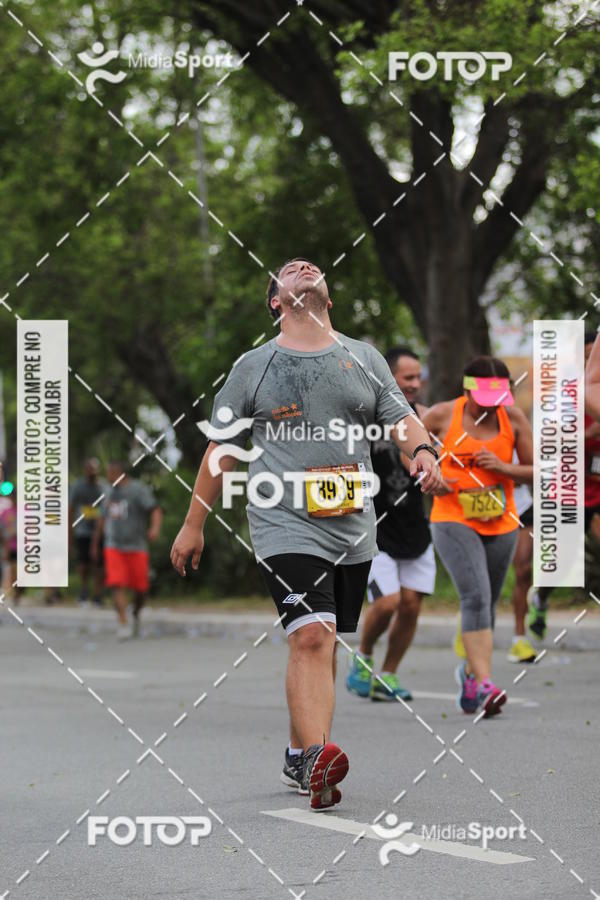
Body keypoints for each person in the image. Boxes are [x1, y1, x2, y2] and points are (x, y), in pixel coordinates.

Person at [170, 257, 444, 811]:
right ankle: (320, 760)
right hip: (282, 521)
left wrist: (422, 450)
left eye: (310, 268)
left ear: (328, 297)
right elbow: (221, 449)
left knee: (326, 639)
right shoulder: (255, 365)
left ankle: (300, 754)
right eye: (288, 272)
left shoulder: (363, 358)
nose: (301, 268)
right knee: (312, 635)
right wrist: (193, 522)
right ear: (276, 300)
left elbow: (401, 415)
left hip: (352, 525)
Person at [423, 357, 533, 717]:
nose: (491, 406)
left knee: (487, 603)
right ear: (468, 388)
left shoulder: (512, 418)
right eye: (485, 398)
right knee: (476, 596)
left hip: (501, 522)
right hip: (453, 518)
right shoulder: (441, 415)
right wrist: (432, 473)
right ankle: (487, 685)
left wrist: (505, 468)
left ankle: (470, 675)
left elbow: (536, 471)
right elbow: (408, 447)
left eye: (499, 398)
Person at [346, 345, 435, 702]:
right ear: (388, 377)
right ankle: (363, 658)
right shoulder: (364, 417)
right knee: (388, 602)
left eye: (418, 377)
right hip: (373, 527)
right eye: (407, 377)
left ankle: (389, 675)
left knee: (411, 604)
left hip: (413, 525)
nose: (414, 384)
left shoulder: (423, 418)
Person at [528, 330, 600, 635]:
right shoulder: (565, 393)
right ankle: (541, 599)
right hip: (571, 487)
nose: (590, 362)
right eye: (587, 357)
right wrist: (587, 434)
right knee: (560, 562)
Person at [92, 461, 162, 640]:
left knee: (141, 589)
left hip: (136, 545)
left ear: (118, 472)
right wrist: (96, 542)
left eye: (109, 473)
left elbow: (154, 509)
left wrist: (154, 528)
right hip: (113, 545)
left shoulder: (137, 490)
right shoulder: (107, 492)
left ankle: (136, 613)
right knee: (116, 583)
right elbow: (102, 518)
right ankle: (123, 622)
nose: (107, 477)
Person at [69, 458, 109, 607]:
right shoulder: (77, 486)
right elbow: (70, 508)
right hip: (83, 531)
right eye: (89, 469)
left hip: (101, 531)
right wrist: (69, 533)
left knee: (99, 565)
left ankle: (98, 594)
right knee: (83, 563)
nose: (92, 472)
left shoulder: (104, 486)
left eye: (94, 469)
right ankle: (84, 590)